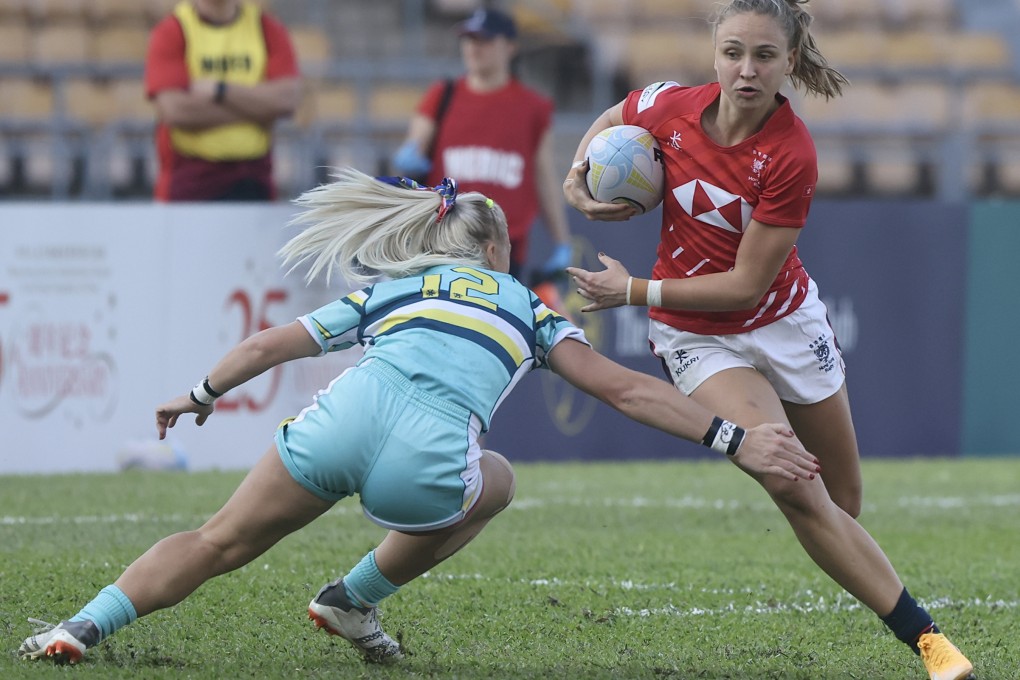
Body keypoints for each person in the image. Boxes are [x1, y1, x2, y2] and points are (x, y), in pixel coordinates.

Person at [18, 168, 820, 666]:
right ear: (500, 253)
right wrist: (731, 436)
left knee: (216, 541)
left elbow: (271, 343)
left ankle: (81, 628)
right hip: (426, 466)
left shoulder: (394, 289)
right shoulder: (528, 309)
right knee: (498, 480)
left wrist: (197, 395)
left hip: (342, 422)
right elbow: (623, 389)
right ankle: (352, 597)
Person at [562, 2, 975, 679]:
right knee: (792, 481)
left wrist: (631, 291)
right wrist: (575, 181)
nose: (745, 69)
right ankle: (930, 643)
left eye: (762, 56)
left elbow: (744, 288)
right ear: (714, 53)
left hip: (784, 322)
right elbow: (612, 122)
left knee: (843, 501)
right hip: (698, 340)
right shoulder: (666, 106)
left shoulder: (790, 152)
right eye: (732, 53)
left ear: (789, 62)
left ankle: (862, 575)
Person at [390, 8, 572, 284]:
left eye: (485, 40)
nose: (474, 47)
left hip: (503, 246)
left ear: (510, 47)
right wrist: (408, 159)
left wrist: (562, 242)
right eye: (469, 39)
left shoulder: (533, 107)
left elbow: (543, 177)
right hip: (444, 240)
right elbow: (413, 147)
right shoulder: (443, 95)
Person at [144, 0, 301, 201]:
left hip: (254, 177)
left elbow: (287, 100)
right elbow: (175, 110)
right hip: (191, 180)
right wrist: (258, 110)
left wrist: (220, 90)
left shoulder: (267, 28)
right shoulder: (172, 30)